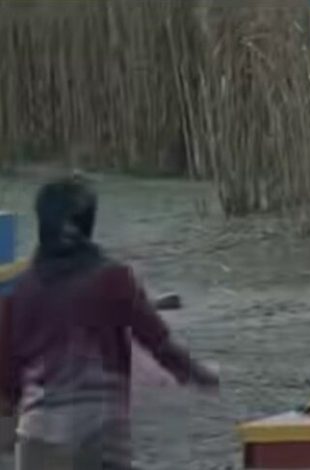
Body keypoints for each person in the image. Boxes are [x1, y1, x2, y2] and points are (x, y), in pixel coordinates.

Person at [0, 175, 219, 469]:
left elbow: (8, 376)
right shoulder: (113, 278)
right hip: (100, 434)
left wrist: (9, 416)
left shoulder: (20, 291)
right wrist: (196, 373)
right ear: (88, 224)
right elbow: (157, 341)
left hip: (38, 440)